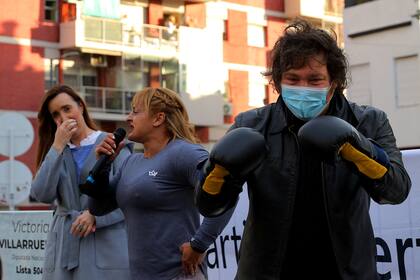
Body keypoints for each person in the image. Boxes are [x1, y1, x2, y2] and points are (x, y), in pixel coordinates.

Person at [195, 19, 411, 279]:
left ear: (334, 82)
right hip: (269, 273)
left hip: (345, 272)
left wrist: (358, 150)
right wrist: (218, 171)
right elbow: (209, 205)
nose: (303, 88)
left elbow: (397, 190)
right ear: (277, 82)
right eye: (293, 79)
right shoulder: (252, 125)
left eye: (315, 79)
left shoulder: (367, 121)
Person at [82, 87, 233, 280]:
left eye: (135, 112)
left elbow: (225, 195)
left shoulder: (184, 153)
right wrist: (103, 167)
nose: (128, 118)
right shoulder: (131, 162)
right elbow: (98, 208)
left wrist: (199, 244)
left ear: (158, 118)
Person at [30, 85, 131, 280]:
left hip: (105, 245)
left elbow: (130, 196)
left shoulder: (113, 145)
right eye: (56, 114)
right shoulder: (57, 151)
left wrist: (96, 215)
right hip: (63, 248)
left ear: (81, 107)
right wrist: (57, 146)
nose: (63, 117)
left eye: (67, 109)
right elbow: (41, 194)